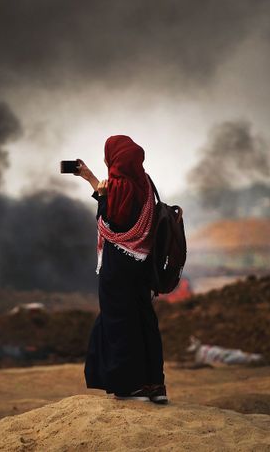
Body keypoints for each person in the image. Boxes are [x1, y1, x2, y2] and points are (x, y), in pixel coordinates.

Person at [74, 135, 167, 403]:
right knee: (144, 319)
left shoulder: (117, 187)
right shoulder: (145, 183)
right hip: (143, 265)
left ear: (112, 158)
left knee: (119, 322)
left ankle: (131, 385)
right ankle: (155, 386)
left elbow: (110, 224)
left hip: (118, 267)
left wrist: (102, 196)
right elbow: (123, 211)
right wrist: (92, 180)